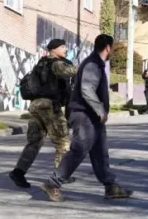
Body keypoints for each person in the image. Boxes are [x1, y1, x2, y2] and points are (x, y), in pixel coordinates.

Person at [39, 34, 133, 202]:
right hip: (84, 114)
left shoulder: (96, 63)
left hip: (91, 116)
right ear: (108, 48)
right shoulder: (92, 64)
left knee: (100, 152)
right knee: (79, 149)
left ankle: (110, 186)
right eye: (112, 48)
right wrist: (100, 111)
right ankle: (52, 183)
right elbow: (87, 89)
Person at [10, 39, 77, 188]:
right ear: (53, 49)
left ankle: (18, 172)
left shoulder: (41, 64)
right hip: (48, 106)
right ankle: (61, 174)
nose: (65, 49)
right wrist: (82, 67)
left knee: (35, 141)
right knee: (62, 140)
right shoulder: (56, 63)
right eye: (62, 47)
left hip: (35, 105)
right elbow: (69, 71)